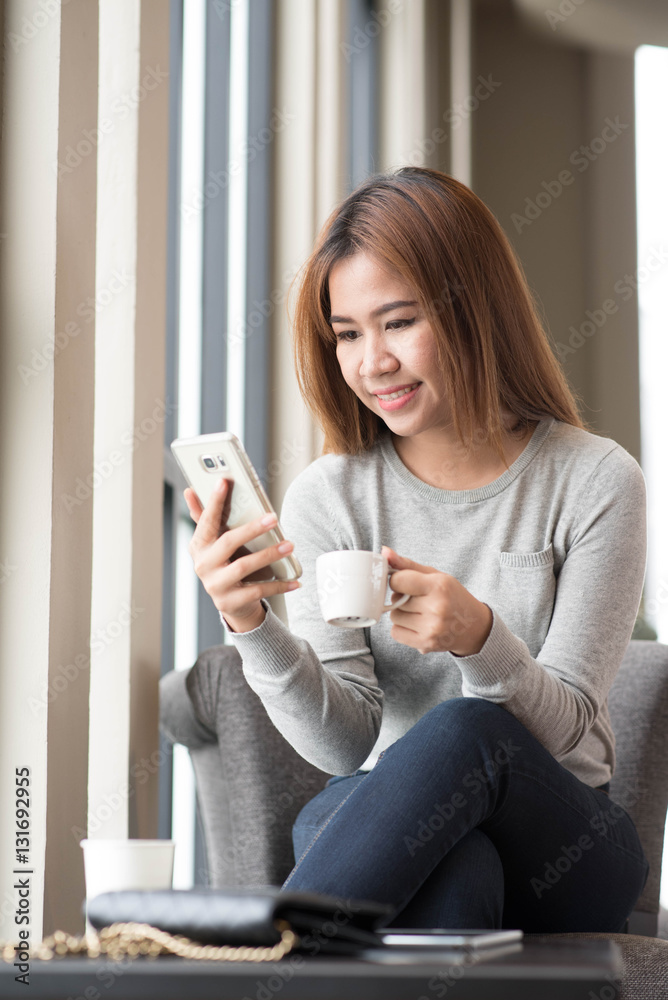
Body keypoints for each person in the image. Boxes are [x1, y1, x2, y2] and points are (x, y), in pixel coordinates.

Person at [185, 167, 649, 932]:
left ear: (477, 312)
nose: (372, 362)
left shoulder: (596, 480)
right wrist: (253, 628)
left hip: (564, 849)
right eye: (348, 334)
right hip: (399, 831)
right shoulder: (330, 496)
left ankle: (260, 958)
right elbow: (344, 745)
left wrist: (480, 639)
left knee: (466, 731)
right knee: (445, 863)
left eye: (399, 322)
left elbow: (566, 725)